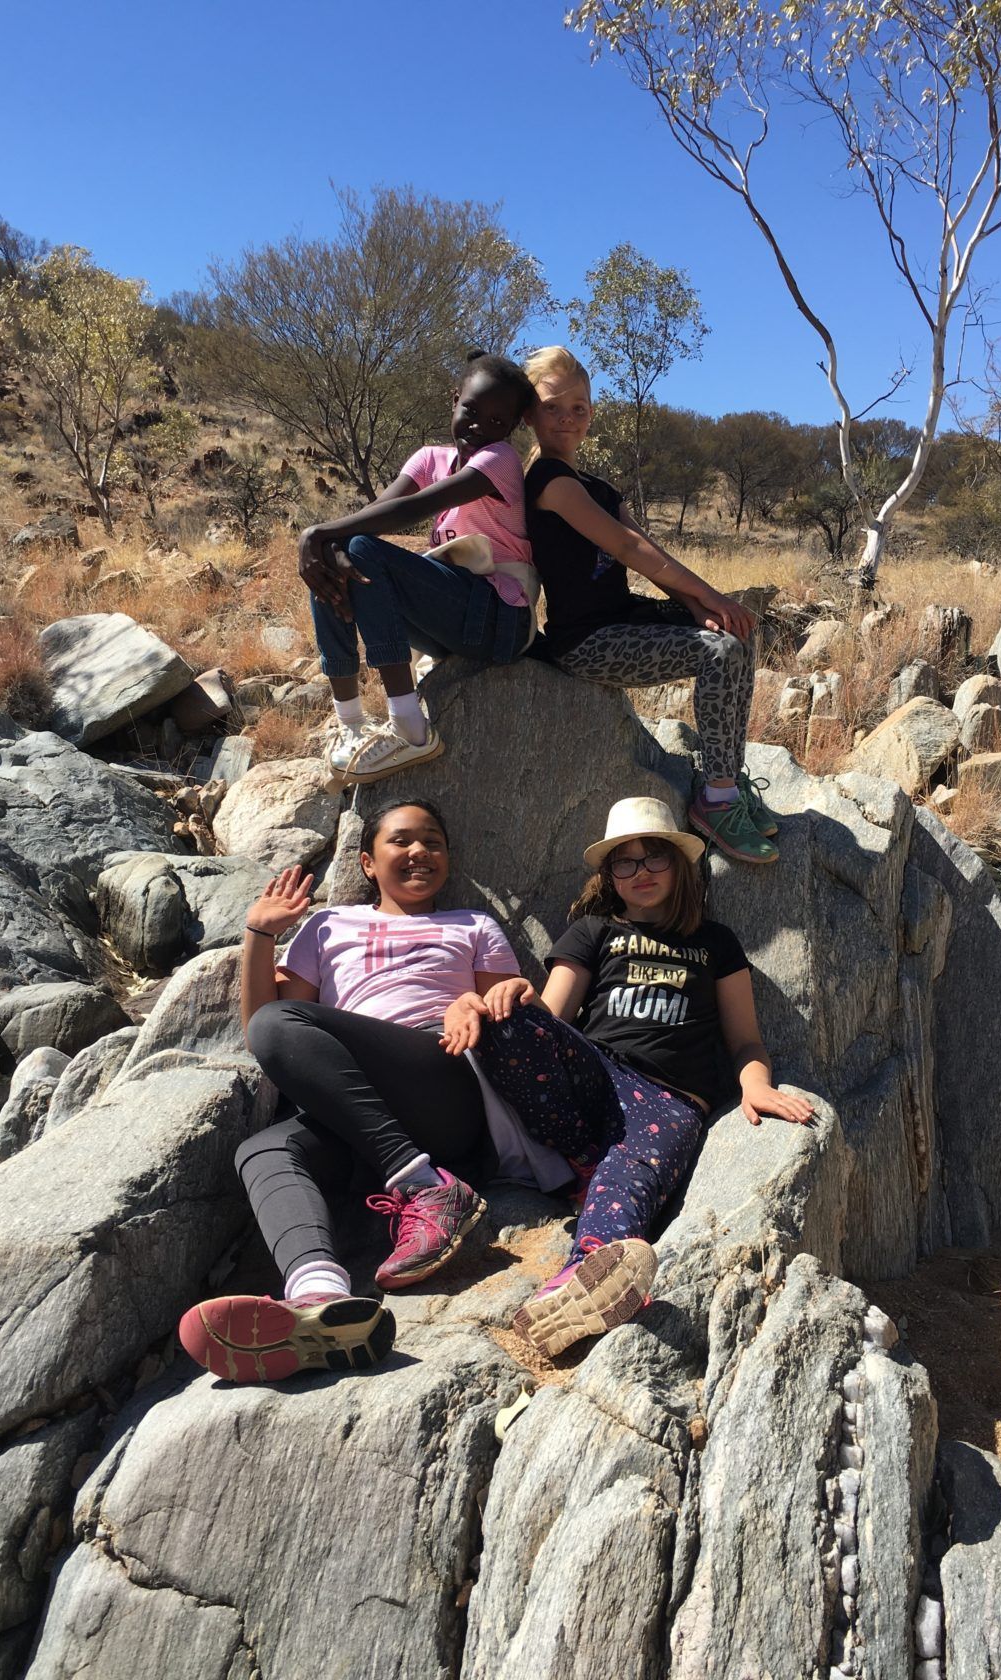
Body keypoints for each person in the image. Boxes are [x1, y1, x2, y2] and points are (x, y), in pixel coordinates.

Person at [442, 797, 814, 1359]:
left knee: (631, 1174)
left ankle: (578, 1283)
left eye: (654, 858)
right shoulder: (593, 931)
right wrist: (504, 999)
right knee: (509, 1019)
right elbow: (551, 1020)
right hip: (595, 1076)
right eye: (625, 862)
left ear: (680, 866)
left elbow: (745, 1041)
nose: (640, 872)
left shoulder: (715, 943)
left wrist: (755, 1085)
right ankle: (585, 1162)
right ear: (609, 876)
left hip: (670, 1100)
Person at [177, 798, 533, 1383]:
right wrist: (259, 936)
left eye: (434, 843)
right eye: (402, 841)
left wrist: (474, 1001)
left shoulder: (473, 926)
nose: (420, 851)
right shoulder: (327, 925)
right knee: (263, 1150)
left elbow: (512, 1022)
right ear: (367, 862)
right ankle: (317, 1296)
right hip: (360, 1115)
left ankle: (427, 1187)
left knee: (280, 1027)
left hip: (440, 1083)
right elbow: (263, 1032)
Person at [521, 345, 778, 865]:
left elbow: (651, 551)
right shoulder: (548, 481)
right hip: (586, 641)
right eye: (552, 406)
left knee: (734, 635)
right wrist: (709, 594)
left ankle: (729, 780)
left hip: (623, 617)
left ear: (592, 413)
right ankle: (716, 801)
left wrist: (701, 606)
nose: (567, 418)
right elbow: (627, 549)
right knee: (716, 653)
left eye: (579, 406)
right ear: (530, 413)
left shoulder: (598, 486)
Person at [297, 352, 540, 788]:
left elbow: (410, 510)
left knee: (358, 547)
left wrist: (318, 532)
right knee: (339, 559)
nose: (479, 427)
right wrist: (324, 544)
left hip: (503, 618)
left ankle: (409, 726)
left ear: (512, 429)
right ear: (454, 399)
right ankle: (350, 724)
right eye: (471, 410)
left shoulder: (499, 459)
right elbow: (379, 509)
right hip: (457, 620)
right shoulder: (431, 458)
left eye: (498, 421)